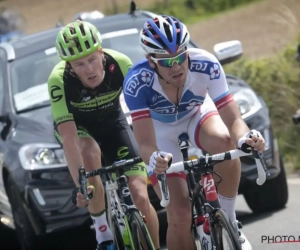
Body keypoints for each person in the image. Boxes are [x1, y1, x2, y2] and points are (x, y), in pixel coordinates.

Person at [123, 15, 265, 250]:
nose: (177, 67)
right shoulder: (137, 82)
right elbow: (146, 143)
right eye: (167, 62)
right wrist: (156, 159)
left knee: (225, 141)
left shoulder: (206, 64)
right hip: (161, 134)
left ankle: (229, 221)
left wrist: (246, 138)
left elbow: (234, 120)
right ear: (151, 60)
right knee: (179, 216)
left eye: (181, 57)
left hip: (197, 115)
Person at [48, 20, 159, 250]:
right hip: (78, 129)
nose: (88, 69)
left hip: (112, 123)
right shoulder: (59, 81)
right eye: (79, 65)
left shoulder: (120, 63)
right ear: (69, 66)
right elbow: (69, 139)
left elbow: (144, 112)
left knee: (140, 196)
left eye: (91, 59)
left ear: (101, 52)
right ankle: (103, 233)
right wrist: (81, 185)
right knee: (89, 152)